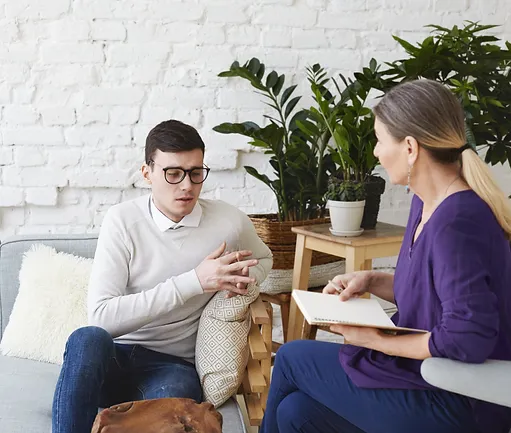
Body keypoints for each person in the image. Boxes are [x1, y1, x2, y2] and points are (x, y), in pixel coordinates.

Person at [260, 79, 511, 433]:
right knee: (295, 413)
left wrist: (375, 341)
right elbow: (440, 292)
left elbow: (467, 337)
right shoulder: (424, 203)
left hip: (458, 399)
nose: (376, 153)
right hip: (426, 378)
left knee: (290, 357)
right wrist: (373, 281)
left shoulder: (457, 221)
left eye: (380, 140)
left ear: (410, 147)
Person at [52, 119, 273, 433]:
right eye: (173, 173)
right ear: (147, 174)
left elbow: (265, 258)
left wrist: (241, 282)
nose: (186, 185)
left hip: (171, 366)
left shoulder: (229, 222)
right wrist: (194, 281)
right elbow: (102, 318)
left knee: (179, 404)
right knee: (87, 338)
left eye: (196, 173)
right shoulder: (122, 221)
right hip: (114, 357)